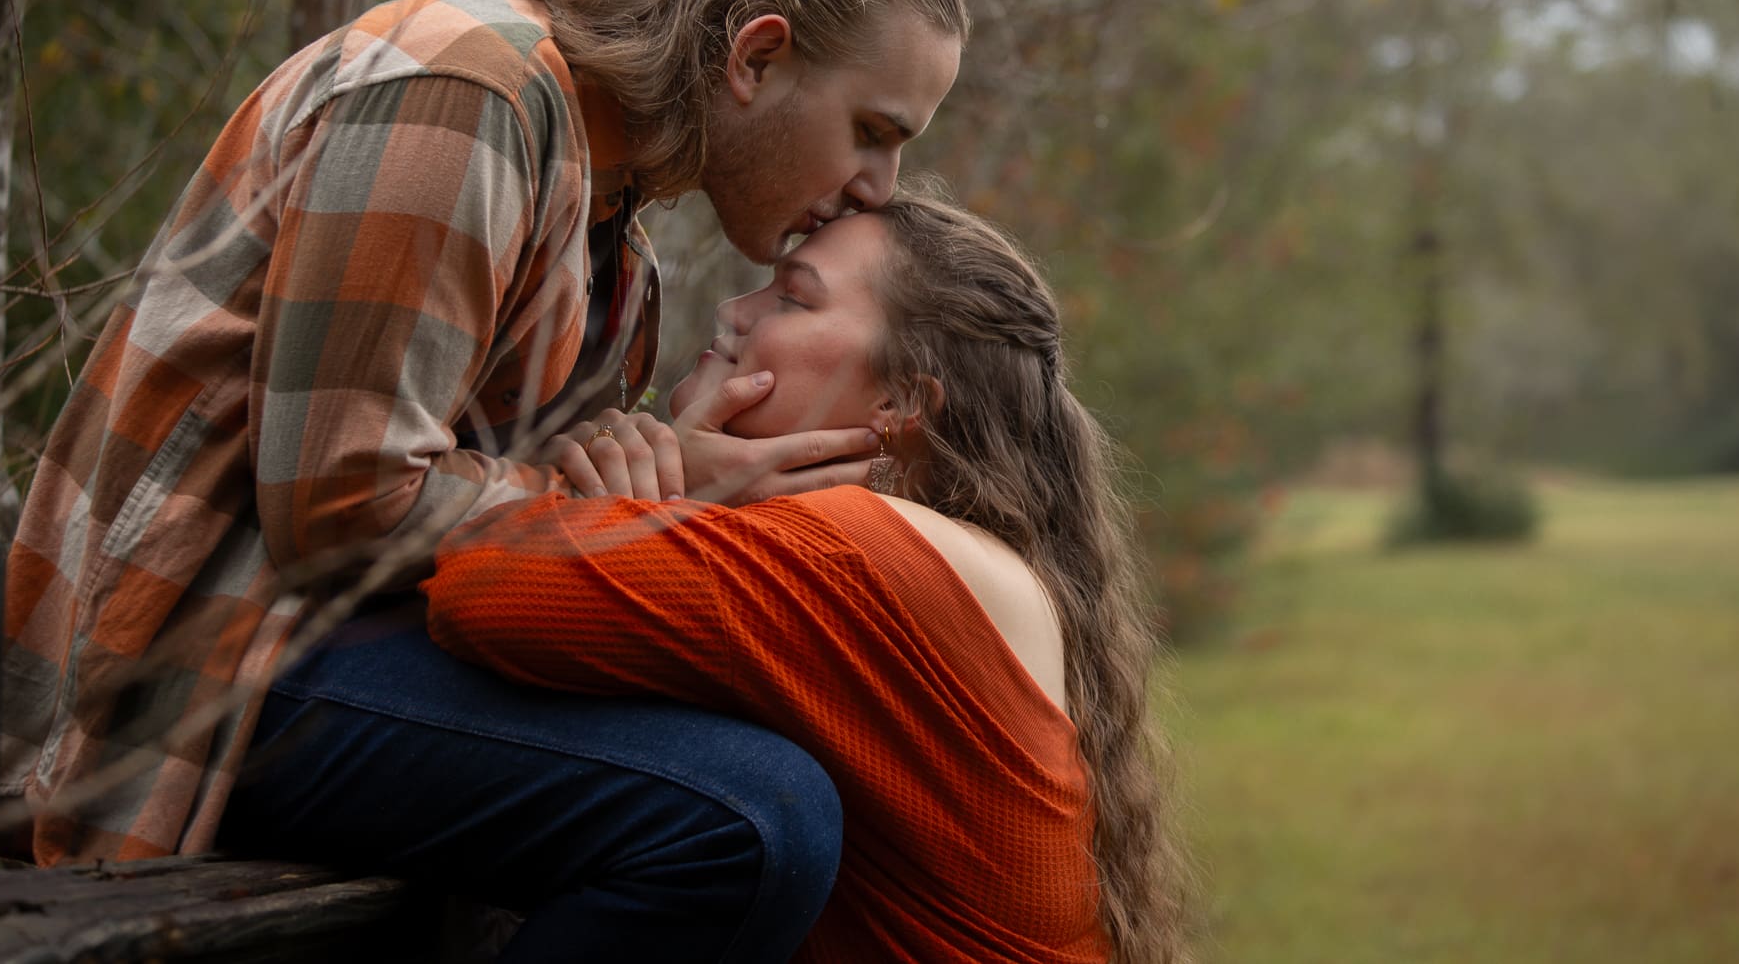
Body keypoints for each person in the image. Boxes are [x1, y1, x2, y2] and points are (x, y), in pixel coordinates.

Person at [0, 0, 967, 957]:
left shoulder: (617, 232)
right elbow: (340, 504)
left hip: (345, 653)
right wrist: (645, 505)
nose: (878, 189)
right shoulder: (466, 89)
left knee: (793, 757)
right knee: (750, 821)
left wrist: (634, 478)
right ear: (756, 56)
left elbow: (509, 512)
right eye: (875, 132)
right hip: (203, 670)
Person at [408, 190, 1191, 964]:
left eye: (791, 297)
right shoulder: (963, 562)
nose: (734, 312)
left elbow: (480, 585)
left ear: (901, 399)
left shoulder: (861, 556)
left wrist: (648, 490)